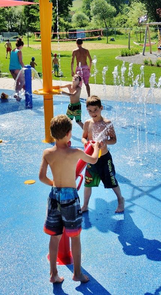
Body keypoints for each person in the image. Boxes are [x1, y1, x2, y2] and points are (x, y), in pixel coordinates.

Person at [39, 114, 100, 284]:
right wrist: (95, 146)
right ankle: (77, 274)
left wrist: (55, 184)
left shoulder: (47, 153)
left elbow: (42, 177)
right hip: (70, 198)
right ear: (68, 134)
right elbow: (93, 160)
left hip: (54, 195)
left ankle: (53, 274)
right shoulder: (75, 152)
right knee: (75, 236)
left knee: (54, 236)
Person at [81, 95, 125, 214]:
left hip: (104, 158)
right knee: (88, 183)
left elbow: (114, 139)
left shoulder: (107, 123)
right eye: (90, 111)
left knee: (111, 181)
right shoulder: (87, 123)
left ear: (101, 108)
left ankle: (120, 200)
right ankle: (85, 205)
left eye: (95, 110)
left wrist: (105, 142)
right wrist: (87, 143)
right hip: (91, 158)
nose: (93, 113)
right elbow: (83, 138)